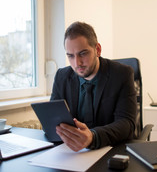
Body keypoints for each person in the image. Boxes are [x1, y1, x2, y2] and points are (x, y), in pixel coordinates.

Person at [51, 21, 137, 152]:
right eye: (70, 56)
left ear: (97, 50)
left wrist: (93, 137)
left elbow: (127, 124)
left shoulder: (122, 74)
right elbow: (53, 119)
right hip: (73, 153)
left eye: (83, 53)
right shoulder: (62, 76)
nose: (77, 63)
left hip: (112, 150)